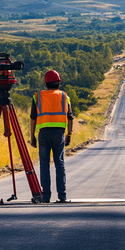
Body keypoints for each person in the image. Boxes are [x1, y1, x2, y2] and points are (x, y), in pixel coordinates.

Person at [29, 70, 74, 203]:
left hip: (43, 134)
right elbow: (70, 117)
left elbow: (33, 118)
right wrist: (69, 134)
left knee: (44, 165)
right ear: (58, 82)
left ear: (46, 83)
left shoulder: (37, 97)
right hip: (59, 133)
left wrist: (32, 136)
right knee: (59, 164)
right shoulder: (64, 96)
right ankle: (62, 195)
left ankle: (46, 196)